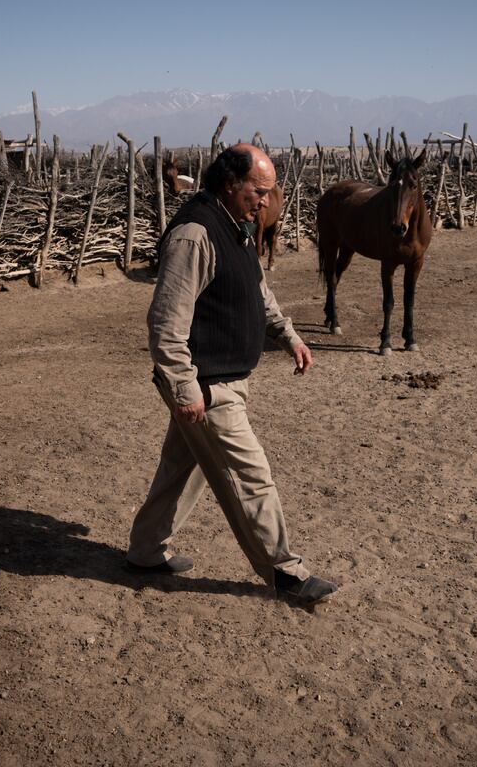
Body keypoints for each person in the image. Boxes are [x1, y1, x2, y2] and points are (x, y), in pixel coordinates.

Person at [126, 143, 337, 607]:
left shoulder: (234, 226)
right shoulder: (195, 234)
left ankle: (145, 550)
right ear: (229, 183)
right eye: (258, 191)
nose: (265, 201)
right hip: (205, 383)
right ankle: (285, 571)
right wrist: (185, 387)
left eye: (268, 191)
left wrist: (290, 337)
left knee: (186, 467)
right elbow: (165, 322)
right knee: (251, 475)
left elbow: (257, 292)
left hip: (218, 378)